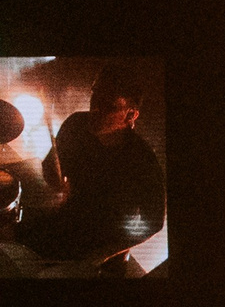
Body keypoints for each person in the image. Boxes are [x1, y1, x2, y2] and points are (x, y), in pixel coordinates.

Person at [17, 62, 164, 270]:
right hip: (66, 223)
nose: (95, 108)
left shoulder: (142, 161)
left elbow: (154, 222)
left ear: (131, 115)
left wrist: (105, 252)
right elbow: (50, 166)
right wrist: (56, 182)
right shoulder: (76, 124)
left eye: (108, 105)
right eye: (95, 95)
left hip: (105, 247)